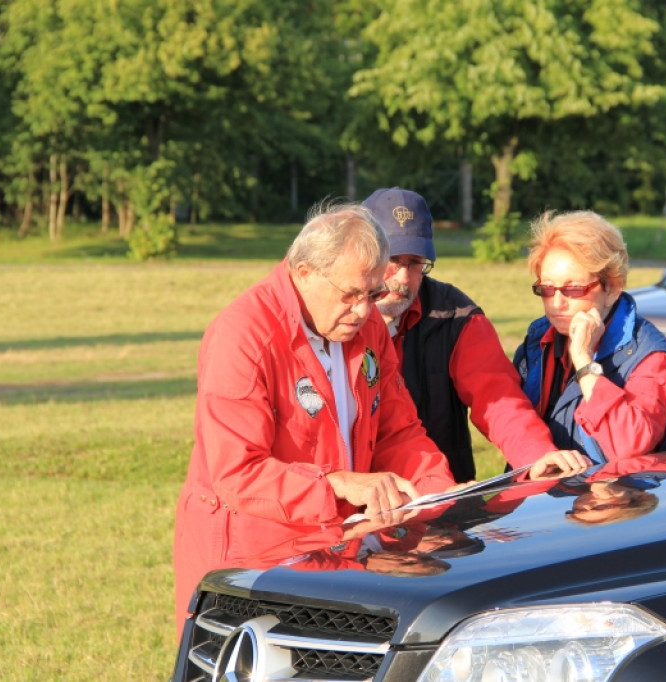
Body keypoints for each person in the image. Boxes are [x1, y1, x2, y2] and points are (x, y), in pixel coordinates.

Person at [173, 201, 459, 633]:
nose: (363, 311)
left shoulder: (367, 327)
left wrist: (439, 495)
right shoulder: (243, 336)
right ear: (304, 272)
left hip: (338, 552)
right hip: (252, 566)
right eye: (350, 295)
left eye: (373, 294)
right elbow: (237, 473)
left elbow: (397, 431)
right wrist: (337, 485)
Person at [362, 187, 590, 482]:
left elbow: (497, 398)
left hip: (440, 493)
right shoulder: (335, 316)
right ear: (366, 256)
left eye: (416, 263)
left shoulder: (456, 315)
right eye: (394, 260)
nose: (404, 277)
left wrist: (537, 455)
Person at [513, 210, 666, 464]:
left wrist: (584, 362)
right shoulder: (538, 342)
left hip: (616, 490)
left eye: (573, 289)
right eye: (547, 288)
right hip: (545, 487)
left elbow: (629, 445)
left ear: (612, 289)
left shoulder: (650, 357)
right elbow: (510, 421)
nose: (556, 303)